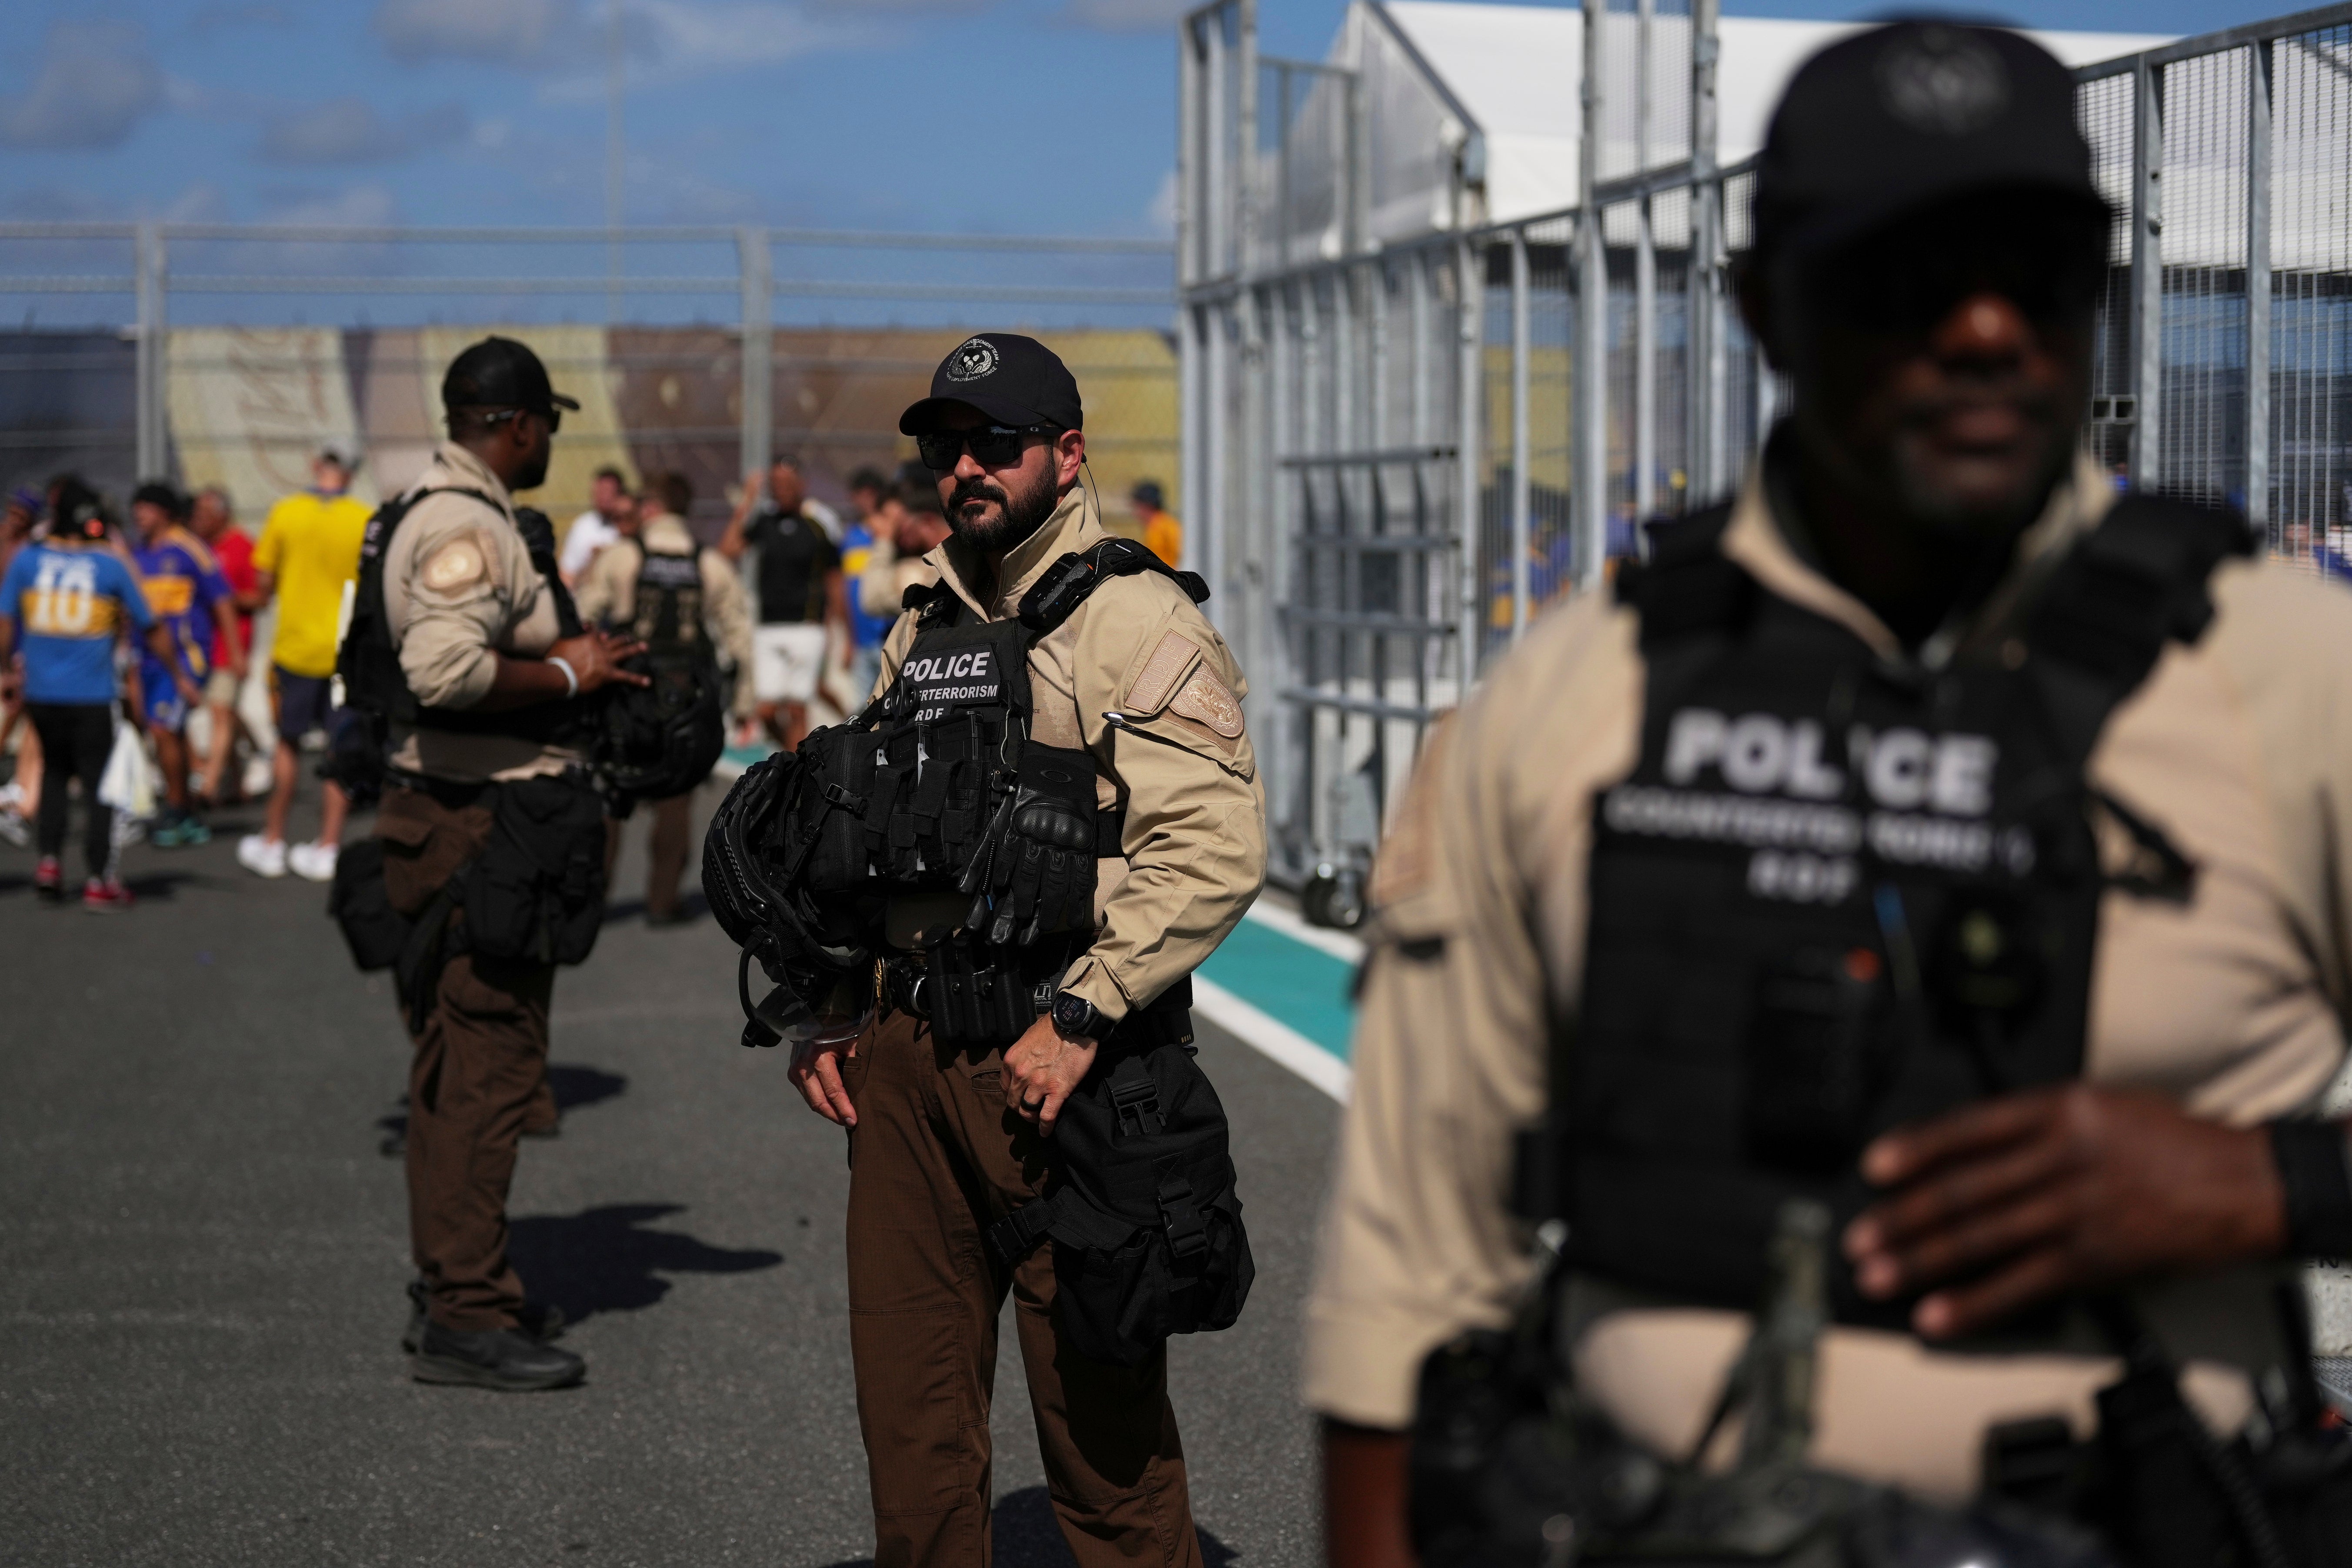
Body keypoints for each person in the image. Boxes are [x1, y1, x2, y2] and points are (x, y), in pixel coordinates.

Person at [1309, 25, 2352, 1567]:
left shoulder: (2284, 668)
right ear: (1760, 308)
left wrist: (2269, 1180)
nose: (1988, 327)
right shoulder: (1577, 689)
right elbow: (1409, 1257)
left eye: (2041, 267)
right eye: (1908, 272)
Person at [780, 333, 1268, 1567]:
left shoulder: (1135, 616)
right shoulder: (927, 617)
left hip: (1069, 1066)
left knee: (1104, 1451)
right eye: (946, 446)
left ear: (1067, 451)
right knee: (916, 1444)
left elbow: (1207, 850)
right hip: (907, 1067)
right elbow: (880, 837)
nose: (965, 467)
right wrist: (829, 1000)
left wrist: (1086, 1010)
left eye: (995, 441)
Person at [350, 336, 646, 1391]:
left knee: (453, 1066)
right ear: (517, 425)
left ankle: (456, 1282)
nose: (550, 442)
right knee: (487, 1069)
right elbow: (444, 667)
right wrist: (575, 668)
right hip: (480, 826)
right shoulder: (463, 521)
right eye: (547, 425)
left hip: (465, 816)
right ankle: (467, 1313)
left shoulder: (443, 510)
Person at [574, 468, 752, 925]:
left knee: (611, 791)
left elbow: (581, 617)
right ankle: (662, 900)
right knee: (676, 796)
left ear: (650, 509)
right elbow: (740, 638)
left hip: (624, 694)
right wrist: (745, 701)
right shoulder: (708, 563)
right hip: (685, 701)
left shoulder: (620, 556)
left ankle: (594, 901)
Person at [0, 484, 188, 911]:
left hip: (43, 694)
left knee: (52, 773)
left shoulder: (28, 561)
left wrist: (7, 670)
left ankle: (49, 862)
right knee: (99, 786)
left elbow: (6, 622)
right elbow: (151, 625)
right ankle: (99, 877)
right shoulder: (110, 566)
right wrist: (179, 673)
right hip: (92, 694)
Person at [240, 444, 370, 883]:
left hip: (295, 649)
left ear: (317, 467)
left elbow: (263, 583)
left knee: (287, 744)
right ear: (351, 474)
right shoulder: (363, 519)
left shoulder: (287, 512)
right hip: (342, 652)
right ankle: (329, 846)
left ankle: (274, 839)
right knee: (341, 748)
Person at [129, 481, 243, 847]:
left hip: (184, 658)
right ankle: (186, 808)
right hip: (146, 658)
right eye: (137, 507)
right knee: (166, 731)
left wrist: (236, 654)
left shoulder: (190, 549)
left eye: (146, 507)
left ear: (164, 512)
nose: (138, 515)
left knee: (163, 728)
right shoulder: (137, 553)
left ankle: (177, 808)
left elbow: (222, 601)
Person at [717, 454, 844, 750]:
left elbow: (834, 579)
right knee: (765, 711)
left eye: (788, 483)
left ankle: (798, 777)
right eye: (775, 484)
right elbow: (727, 552)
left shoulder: (819, 524)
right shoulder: (764, 521)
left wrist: (842, 630)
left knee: (798, 708)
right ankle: (794, 759)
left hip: (807, 627)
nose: (782, 489)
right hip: (768, 627)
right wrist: (746, 502)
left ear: (801, 484)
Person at [189, 485, 265, 808]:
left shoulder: (242, 546)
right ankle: (238, 782)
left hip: (233, 643)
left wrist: (225, 598)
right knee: (227, 712)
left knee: (220, 710)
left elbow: (260, 597)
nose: (199, 520)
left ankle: (208, 787)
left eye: (206, 514)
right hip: (201, 643)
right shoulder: (196, 549)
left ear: (222, 516)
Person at [836, 466, 894, 708]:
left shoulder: (892, 532)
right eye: (859, 494)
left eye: (869, 494)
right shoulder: (850, 537)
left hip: (891, 637)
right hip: (861, 641)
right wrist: (848, 639)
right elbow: (846, 589)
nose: (863, 501)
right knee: (860, 709)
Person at [558, 464, 631, 586]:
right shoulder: (582, 525)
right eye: (599, 491)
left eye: (608, 492)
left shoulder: (627, 525)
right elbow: (567, 572)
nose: (602, 497)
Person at [1131, 479, 1181, 569]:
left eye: (1137, 506)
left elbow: (1182, 554)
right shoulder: (1153, 525)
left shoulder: (1166, 525)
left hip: (1170, 577)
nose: (1135, 512)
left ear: (1147, 506)